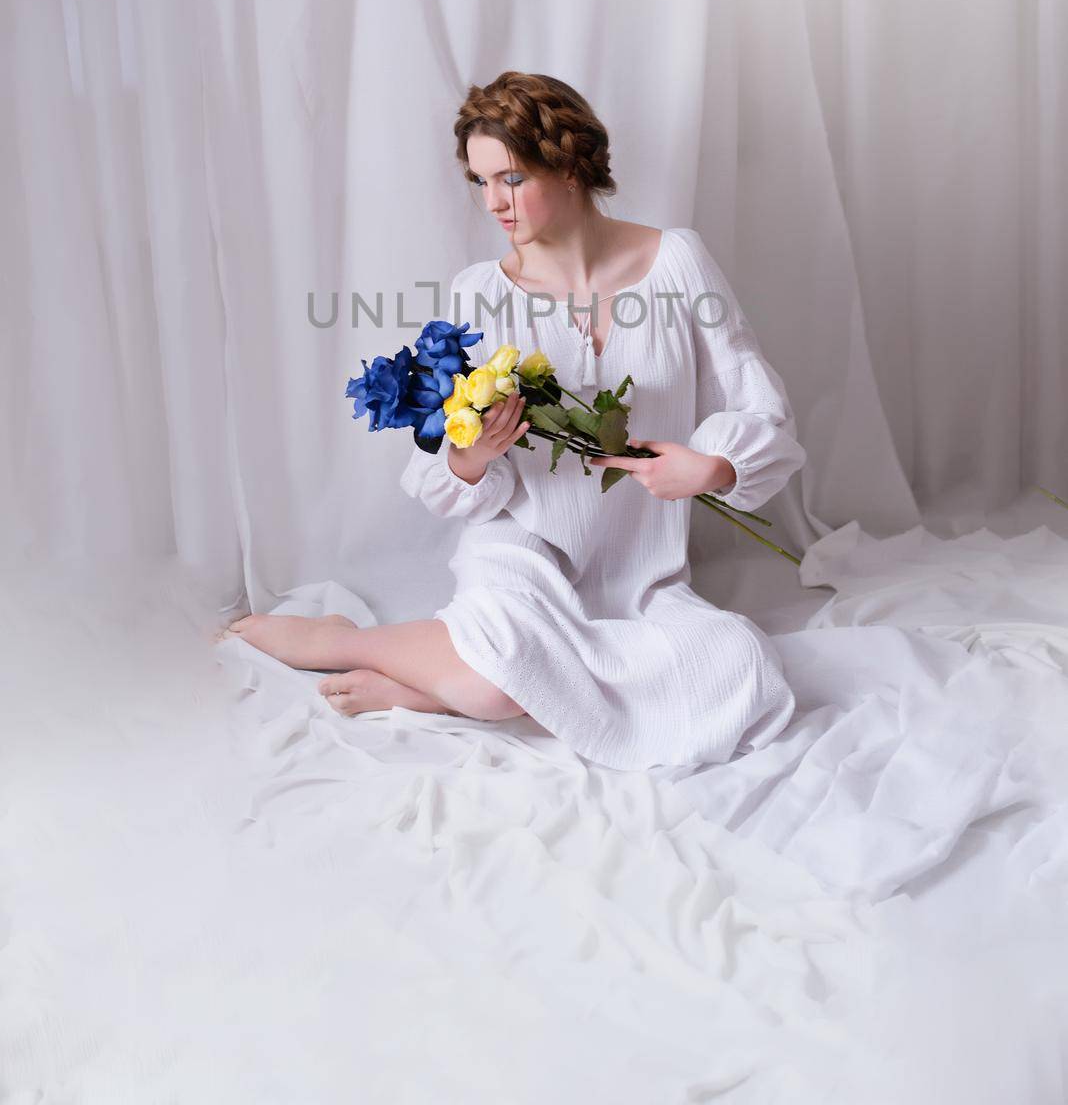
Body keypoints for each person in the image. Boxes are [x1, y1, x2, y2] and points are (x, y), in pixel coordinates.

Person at [223, 71, 806, 772]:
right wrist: (472, 457)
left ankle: (440, 685)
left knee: (739, 667)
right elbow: (450, 461)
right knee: (497, 681)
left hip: (642, 571)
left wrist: (714, 467)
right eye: (480, 182)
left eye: (511, 178)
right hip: (525, 550)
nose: (494, 202)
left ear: (568, 164)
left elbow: (758, 401)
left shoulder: (678, 261)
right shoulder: (481, 293)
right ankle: (344, 640)